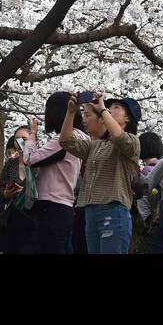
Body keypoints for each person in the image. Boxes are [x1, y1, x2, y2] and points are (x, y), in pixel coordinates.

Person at [60, 90, 141, 254]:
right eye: (109, 107)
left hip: (113, 209)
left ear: (128, 118)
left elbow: (119, 137)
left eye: (116, 107)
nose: (110, 109)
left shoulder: (133, 141)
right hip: (91, 211)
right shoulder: (95, 144)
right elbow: (66, 141)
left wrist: (103, 109)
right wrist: (71, 112)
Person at [22, 91, 85, 254]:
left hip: (50, 206)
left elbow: (30, 159)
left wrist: (32, 136)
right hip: (65, 205)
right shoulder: (83, 137)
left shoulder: (62, 140)